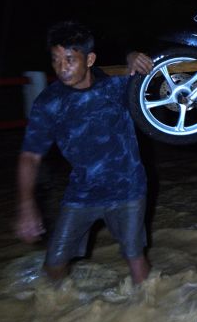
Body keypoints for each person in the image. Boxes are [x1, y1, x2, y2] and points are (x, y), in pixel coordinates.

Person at [14, 21, 154, 284]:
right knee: (54, 264)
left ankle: (152, 312)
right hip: (82, 193)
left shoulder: (118, 87)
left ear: (89, 59)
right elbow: (30, 156)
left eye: (70, 59)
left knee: (135, 258)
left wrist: (132, 55)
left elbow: (162, 75)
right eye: (56, 60)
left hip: (128, 189)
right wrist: (26, 205)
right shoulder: (49, 103)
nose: (62, 67)